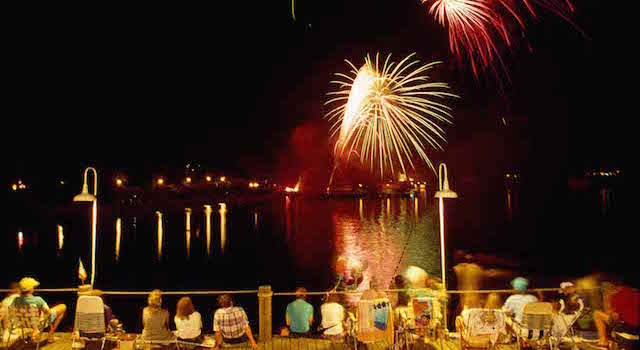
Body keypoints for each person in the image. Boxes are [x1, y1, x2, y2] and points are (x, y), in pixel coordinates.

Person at [11, 277, 67, 343]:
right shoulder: (37, 300)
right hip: (39, 323)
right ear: (31, 289)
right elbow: (49, 312)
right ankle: (50, 335)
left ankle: (35, 333)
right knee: (63, 307)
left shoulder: (16, 300)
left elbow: (12, 311)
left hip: (22, 323)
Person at [593, 284, 639, 349]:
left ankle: (603, 341)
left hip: (626, 329)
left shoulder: (623, 294)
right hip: (634, 331)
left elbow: (615, 315)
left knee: (597, 314)